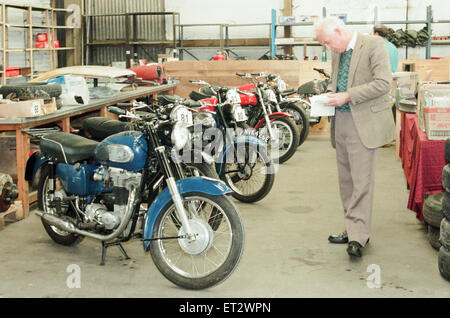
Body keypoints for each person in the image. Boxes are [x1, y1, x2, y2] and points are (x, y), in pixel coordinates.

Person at [314, 17, 396, 257]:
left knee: (361, 182)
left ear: (339, 31)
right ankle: (352, 228)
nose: (328, 48)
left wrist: (347, 96)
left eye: (328, 42)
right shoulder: (338, 52)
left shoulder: (374, 45)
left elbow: (383, 84)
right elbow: (335, 81)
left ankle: (359, 237)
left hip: (364, 123)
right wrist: (328, 95)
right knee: (347, 181)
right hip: (341, 121)